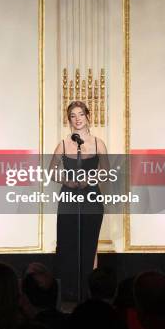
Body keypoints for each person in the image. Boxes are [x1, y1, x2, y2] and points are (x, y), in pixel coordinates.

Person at [50, 101, 108, 301]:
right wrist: (68, 180)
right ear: (69, 120)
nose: (77, 119)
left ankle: (87, 294)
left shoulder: (98, 143)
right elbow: (52, 172)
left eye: (81, 114)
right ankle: (69, 294)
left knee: (88, 245)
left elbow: (106, 172)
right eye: (73, 116)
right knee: (68, 246)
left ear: (87, 116)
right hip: (69, 198)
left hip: (91, 197)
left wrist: (89, 180)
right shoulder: (64, 144)